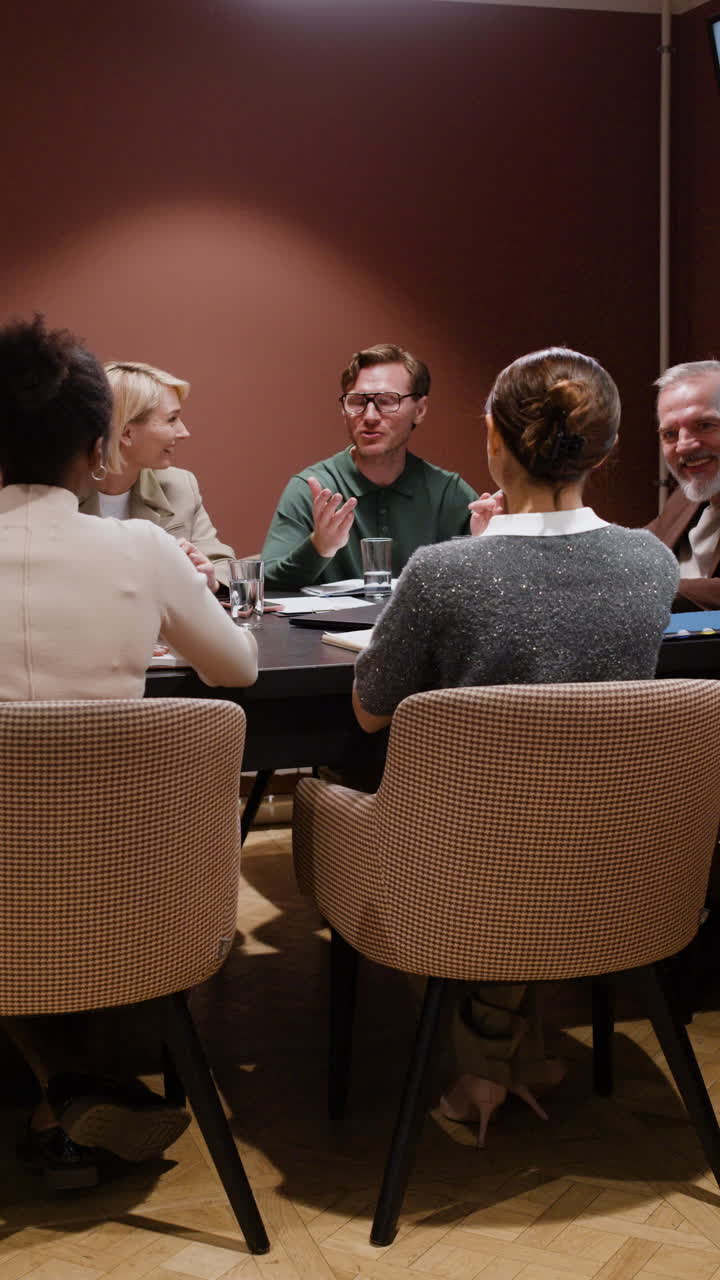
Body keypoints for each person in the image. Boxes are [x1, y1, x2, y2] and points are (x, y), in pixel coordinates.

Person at [352, 346, 679, 1145]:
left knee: (499, 823)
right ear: (604, 447)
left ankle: (482, 1069)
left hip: (471, 867)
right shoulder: (653, 562)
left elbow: (368, 711)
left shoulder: (441, 572)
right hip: (623, 857)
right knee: (550, 817)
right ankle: (509, 1058)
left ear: (494, 438)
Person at [0, 316, 257, 1187]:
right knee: (66, 878)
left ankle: (60, 1090)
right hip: (126, 879)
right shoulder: (142, 548)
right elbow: (238, 665)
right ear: (99, 442)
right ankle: (75, 1091)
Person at [261, 343, 479, 590]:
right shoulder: (314, 489)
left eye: (387, 401)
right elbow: (266, 584)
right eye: (357, 401)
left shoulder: (448, 493)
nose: (370, 416)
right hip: (328, 629)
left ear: (419, 410)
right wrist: (319, 547)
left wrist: (489, 541)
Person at [80, 360, 235, 591]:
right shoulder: (55, 490)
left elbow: (223, 563)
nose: (184, 432)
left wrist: (209, 576)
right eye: (172, 419)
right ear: (127, 432)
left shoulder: (179, 485)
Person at [649, 360, 720, 610]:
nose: (683, 446)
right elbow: (633, 550)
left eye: (705, 425)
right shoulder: (689, 496)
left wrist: (644, 589)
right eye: (669, 434)